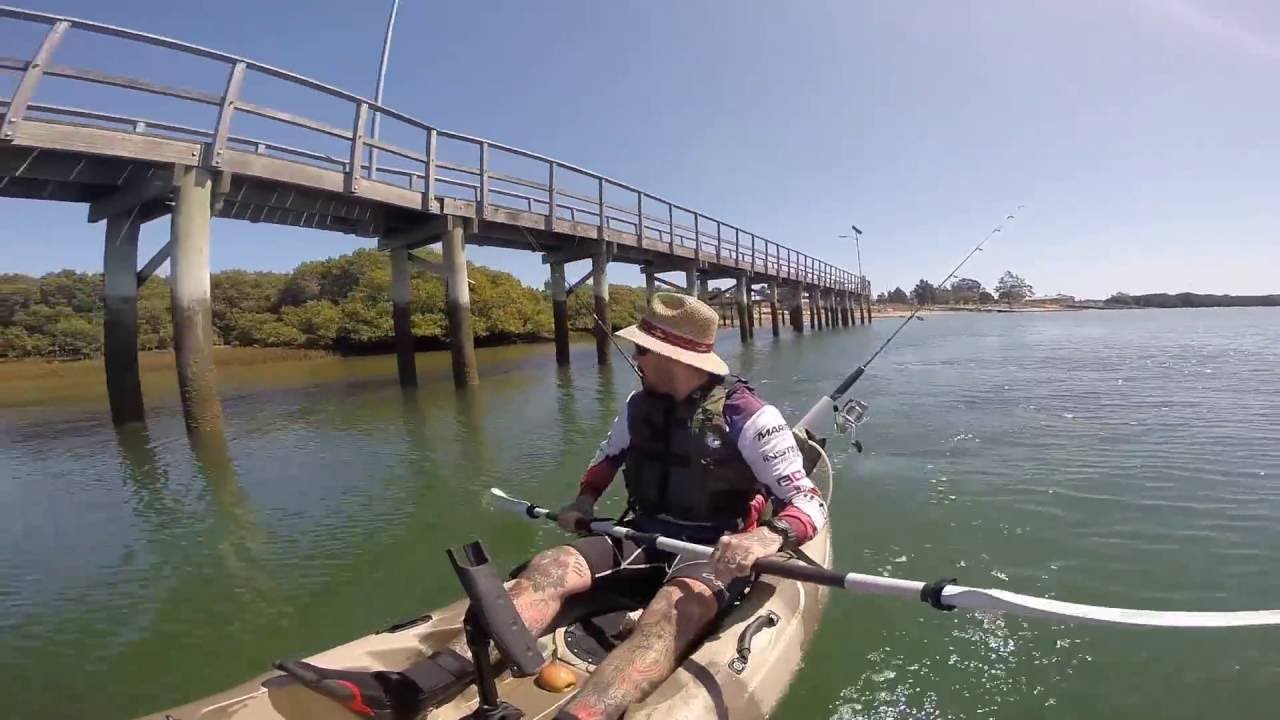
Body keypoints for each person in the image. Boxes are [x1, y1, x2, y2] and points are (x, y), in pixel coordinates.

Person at [275, 292, 828, 720]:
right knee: (551, 565)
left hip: (709, 549)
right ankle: (413, 688)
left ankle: (586, 711)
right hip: (642, 534)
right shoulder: (638, 405)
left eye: (642, 349)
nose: (634, 356)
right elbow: (606, 459)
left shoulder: (750, 416)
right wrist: (584, 499)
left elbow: (807, 501)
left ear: (669, 354)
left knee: (667, 613)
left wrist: (765, 538)